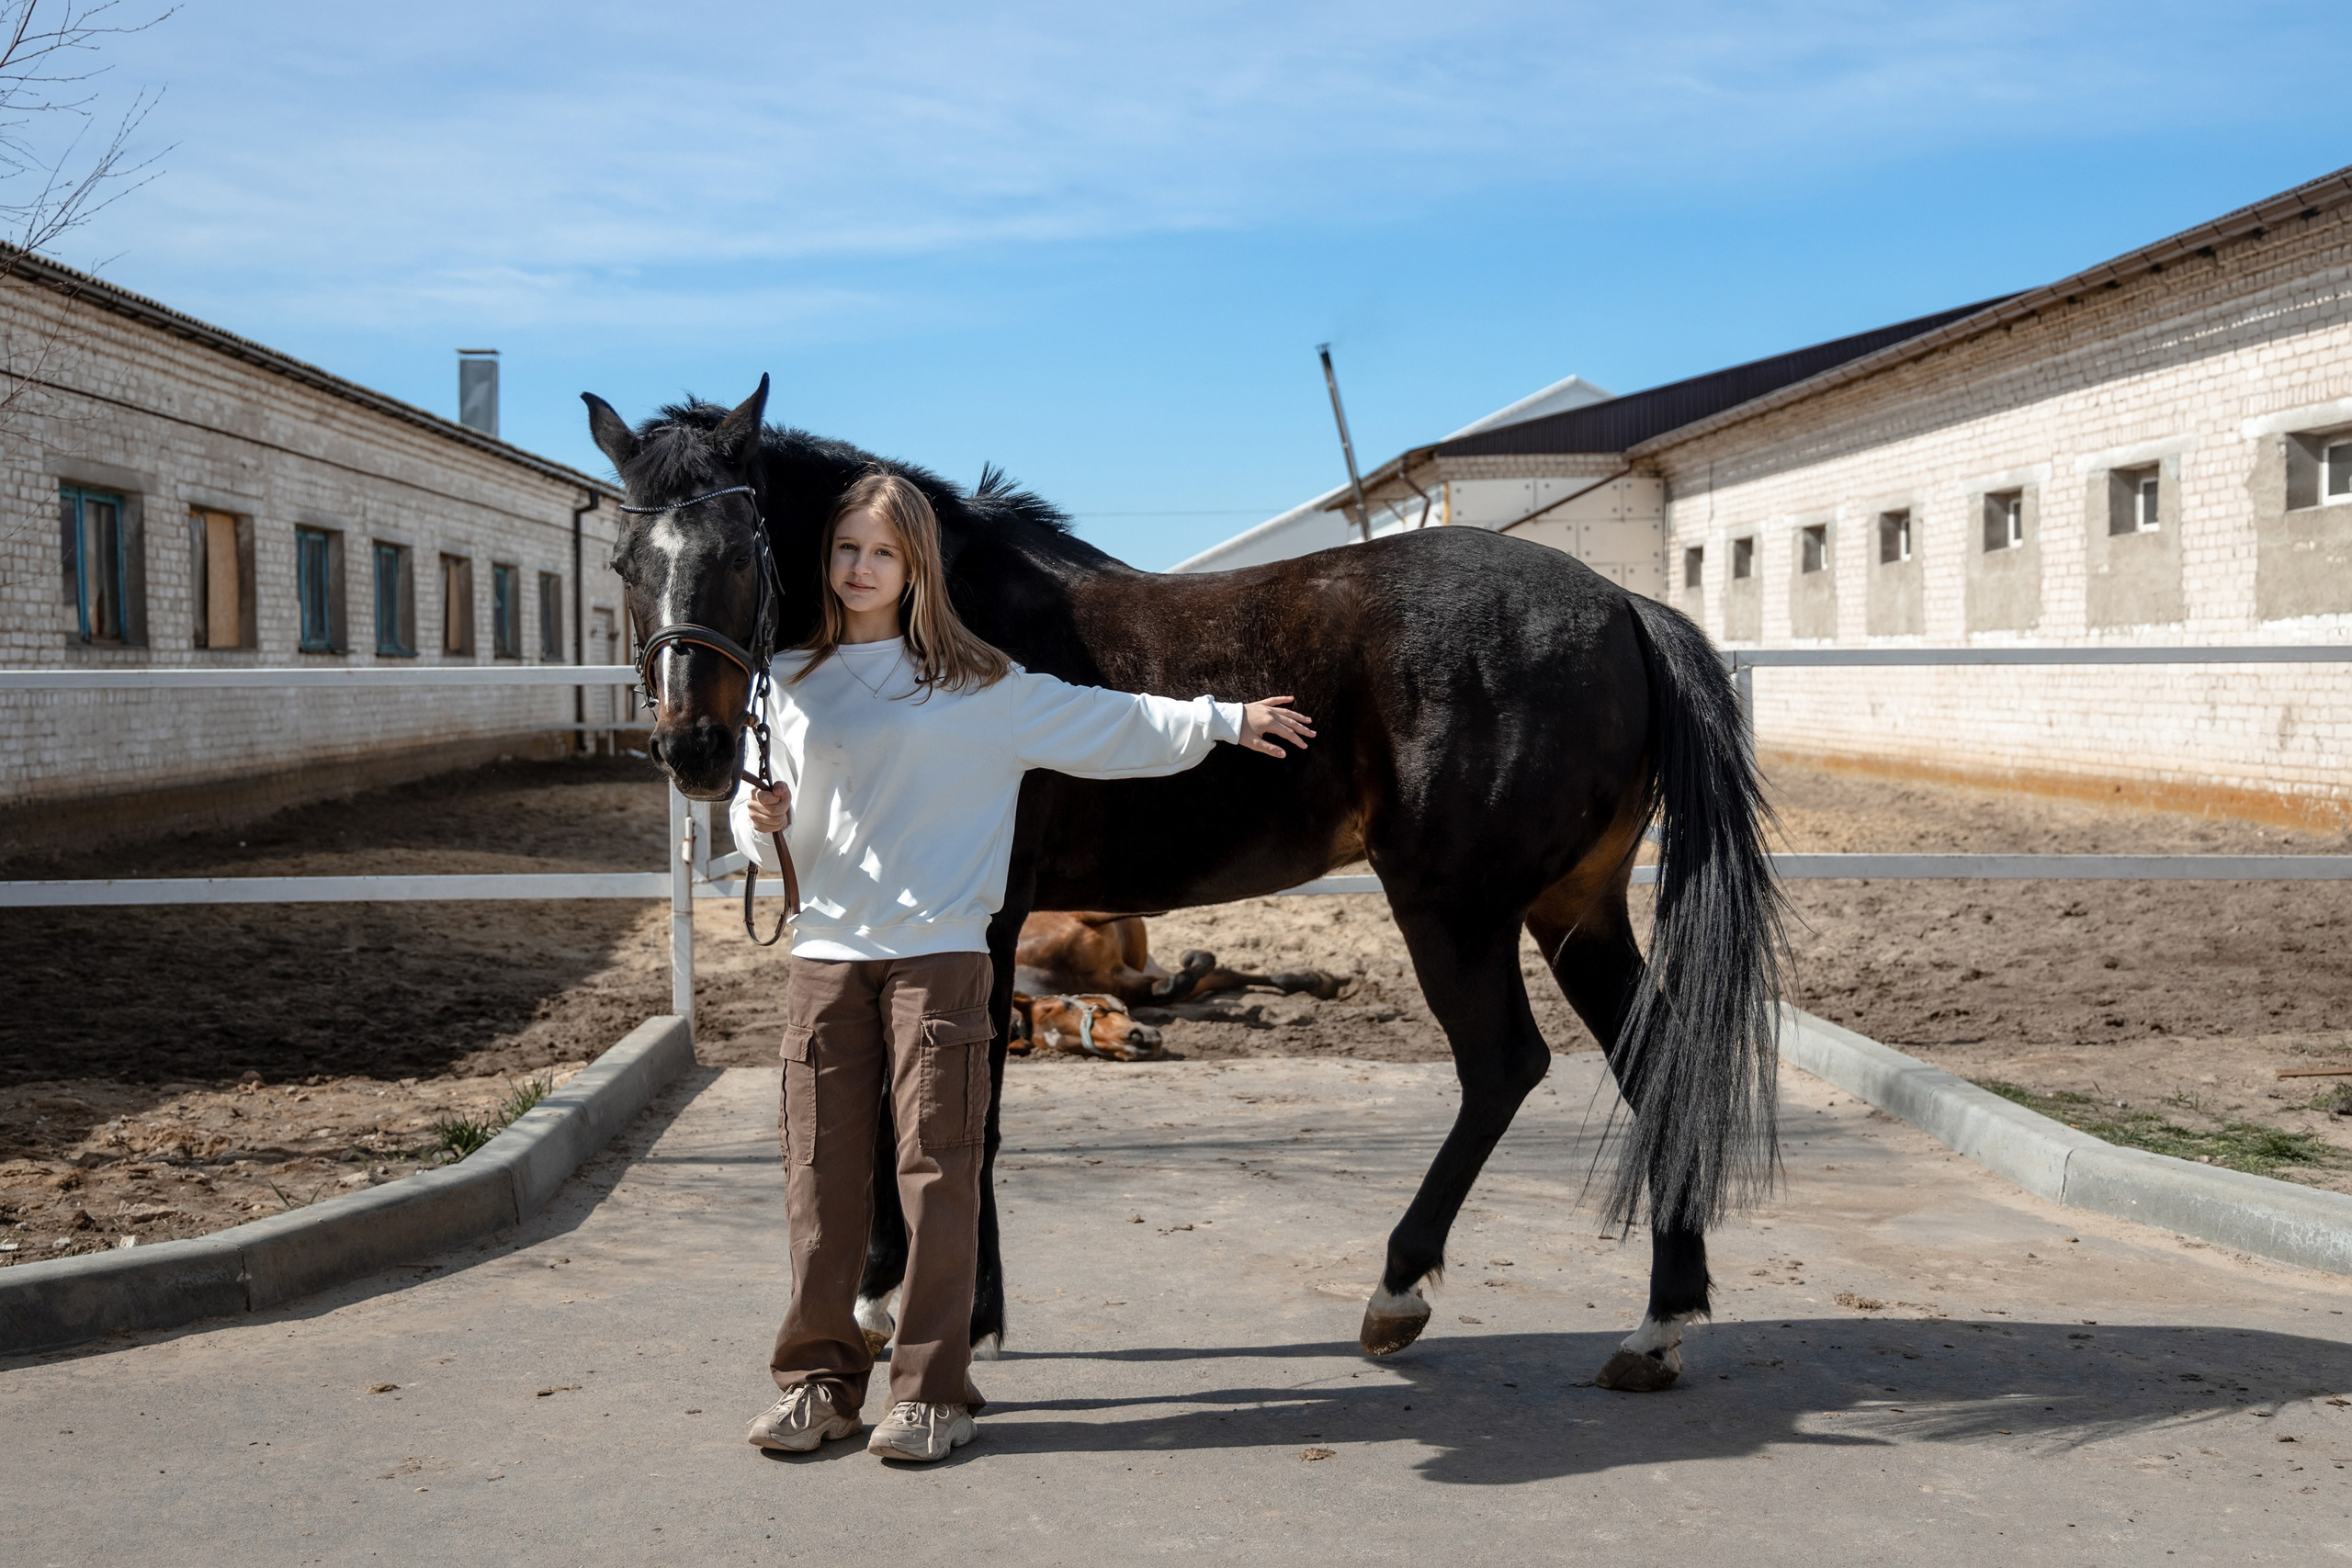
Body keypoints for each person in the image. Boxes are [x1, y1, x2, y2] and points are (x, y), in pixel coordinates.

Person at [734, 470, 1313, 1464]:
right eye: (846, 550)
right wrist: (758, 825)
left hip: (942, 958)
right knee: (821, 1179)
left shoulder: (982, 685)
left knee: (936, 1175)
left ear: (918, 568)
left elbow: (1118, 723)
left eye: (883, 552)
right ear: (825, 563)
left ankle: (932, 1391)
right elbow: (761, 838)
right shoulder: (785, 679)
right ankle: (819, 1384)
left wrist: (1222, 719)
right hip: (827, 956)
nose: (861, 568)